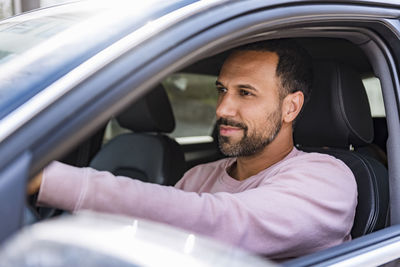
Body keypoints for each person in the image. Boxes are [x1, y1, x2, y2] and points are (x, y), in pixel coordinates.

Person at [28, 39, 357, 261]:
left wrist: (46, 179)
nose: (222, 109)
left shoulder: (328, 178)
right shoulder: (199, 176)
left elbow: (221, 224)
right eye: (222, 90)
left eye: (245, 93)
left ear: (290, 108)